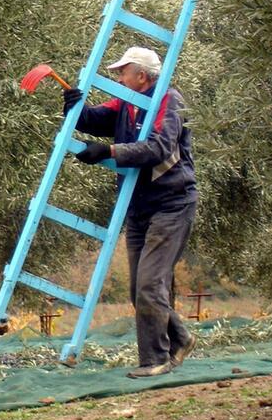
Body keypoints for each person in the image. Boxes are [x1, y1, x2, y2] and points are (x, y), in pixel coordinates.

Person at [63, 47, 197, 378]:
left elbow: (159, 148)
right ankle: (179, 338)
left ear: (142, 76)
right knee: (140, 287)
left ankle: (156, 360)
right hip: (138, 206)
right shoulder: (126, 101)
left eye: (122, 72)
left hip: (172, 204)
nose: (118, 77)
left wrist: (110, 151)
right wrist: (74, 106)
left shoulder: (169, 100)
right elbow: (97, 119)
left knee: (150, 284)